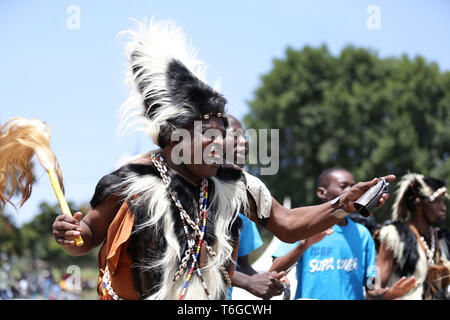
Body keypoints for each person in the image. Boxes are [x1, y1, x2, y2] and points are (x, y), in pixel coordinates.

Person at [51, 19, 394, 300]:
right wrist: (71, 233)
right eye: (210, 138)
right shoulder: (131, 181)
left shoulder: (233, 183)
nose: (222, 147)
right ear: (176, 136)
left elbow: (288, 224)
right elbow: (87, 236)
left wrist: (343, 205)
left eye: (223, 136)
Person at [270, 168, 414, 300]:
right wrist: (303, 245)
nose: (351, 190)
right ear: (322, 192)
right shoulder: (304, 227)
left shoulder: (363, 234)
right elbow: (275, 270)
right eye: (343, 186)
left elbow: (370, 279)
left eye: (352, 185)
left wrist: (381, 293)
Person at [225, 115, 286, 300]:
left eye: (245, 137)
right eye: (235, 136)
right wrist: (247, 282)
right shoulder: (188, 194)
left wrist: (267, 281)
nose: (244, 142)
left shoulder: (243, 202)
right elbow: (194, 263)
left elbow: (241, 266)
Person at [376, 173, 449, 299]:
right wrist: (387, 294)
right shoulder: (394, 236)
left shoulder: (444, 239)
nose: (444, 208)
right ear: (419, 204)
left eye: (443, 202)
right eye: (438, 201)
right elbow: (375, 288)